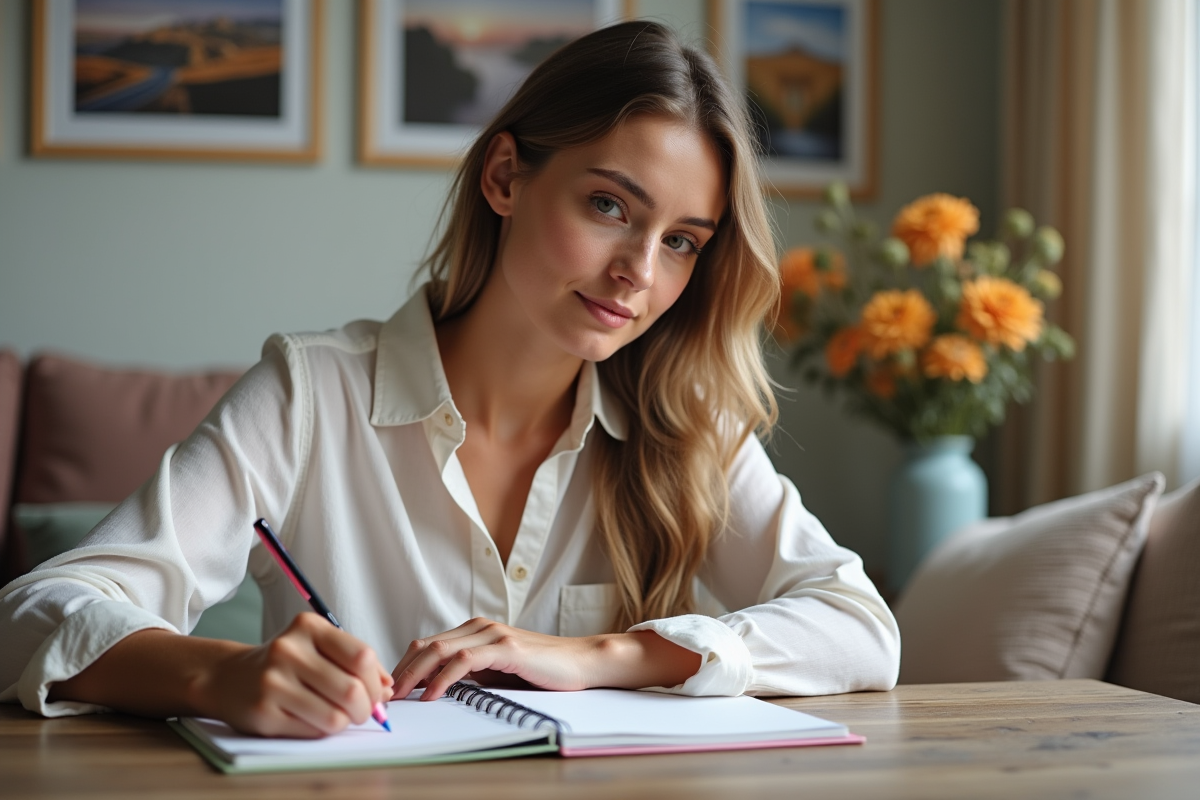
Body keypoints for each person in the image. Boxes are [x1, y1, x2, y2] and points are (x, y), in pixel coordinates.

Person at [0, 21, 899, 738]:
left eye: (681, 242)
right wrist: (221, 672)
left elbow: (861, 627)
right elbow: (39, 610)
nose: (638, 271)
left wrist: (600, 656)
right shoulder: (312, 394)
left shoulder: (686, 426)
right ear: (506, 176)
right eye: (608, 206)